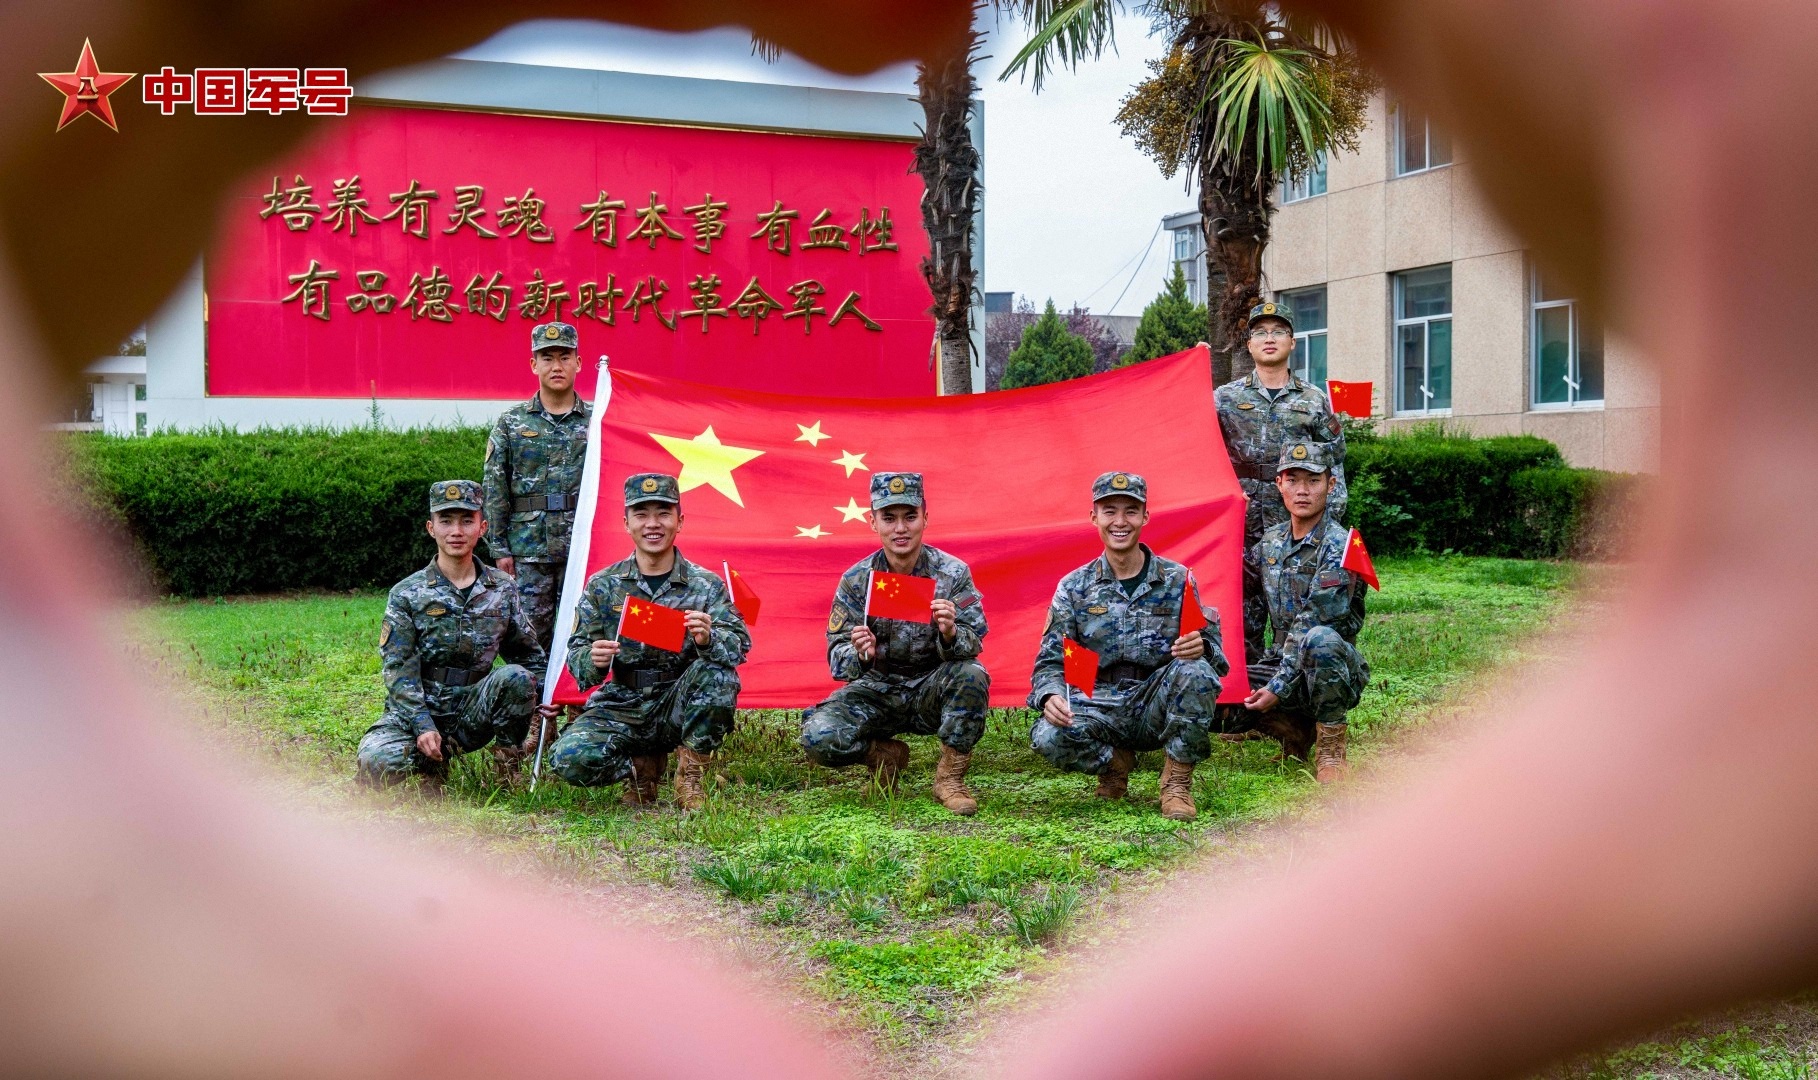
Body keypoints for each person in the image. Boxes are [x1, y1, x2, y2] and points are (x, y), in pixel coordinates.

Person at [1027, 471, 1227, 821]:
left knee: (1196, 672)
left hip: (1155, 701)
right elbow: (1051, 661)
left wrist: (1203, 648)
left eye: (1131, 511)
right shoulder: (1074, 586)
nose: (1120, 522)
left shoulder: (1178, 579)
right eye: (1110, 511)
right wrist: (1050, 696)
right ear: (1094, 517)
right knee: (1047, 735)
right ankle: (1115, 765)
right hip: (1097, 701)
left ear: (1145, 517)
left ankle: (1177, 783)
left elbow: (1216, 657)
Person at [547, 473, 747, 810]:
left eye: (663, 513)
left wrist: (709, 638)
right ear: (626, 523)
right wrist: (592, 659)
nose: (652, 524)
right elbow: (577, 655)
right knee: (569, 759)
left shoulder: (706, 585)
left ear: (679, 521)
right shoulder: (603, 585)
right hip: (623, 703)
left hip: (678, 703)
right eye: (641, 514)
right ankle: (641, 769)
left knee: (718, 674)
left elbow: (739, 645)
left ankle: (690, 776)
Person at [800, 472, 989, 816]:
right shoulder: (857, 579)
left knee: (972, 674)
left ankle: (950, 779)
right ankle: (884, 756)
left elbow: (975, 638)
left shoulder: (953, 573)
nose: (900, 528)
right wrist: (860, 653)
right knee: (819, 736)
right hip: (877, 690)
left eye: (909, 517)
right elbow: (837, 659)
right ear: (873, 522)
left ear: (925, 518)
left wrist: (950, 633)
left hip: (931, 688)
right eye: (889, 518)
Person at [357, 480, 555, 789]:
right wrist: (421, 725)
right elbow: (398, 670)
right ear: (431, 528)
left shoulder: (502, 588)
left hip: (473, 712)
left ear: (482, 527)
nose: (456, 531)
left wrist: (548, 694)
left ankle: (507, 768)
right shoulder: (407, 593)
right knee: (375, 763)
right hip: (420, 710)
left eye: (466, 521)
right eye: (446, 521)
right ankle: (432, 764)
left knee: (516, 676)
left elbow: (528, 654)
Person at [1214, 300, 1348, 660]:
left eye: (1278, 332)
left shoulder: (1314, 400)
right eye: (1260, 332)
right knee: (1240, 616)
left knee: (1295, 616)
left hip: (1294, 526)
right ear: (1249, 345)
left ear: (1292, 342)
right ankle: (1245, 687)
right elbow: (1200, 451)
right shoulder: (1224, 399)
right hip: (1240, 522)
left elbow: (1334, 462)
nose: (1269, 339)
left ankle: (1289, 689)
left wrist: (1327, 524)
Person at [1239, 442, 1369, 781]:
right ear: (1279, 485)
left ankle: (1331, 747)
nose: (1302, 490)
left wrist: (1277, 687)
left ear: (1331, 484)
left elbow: (1316, 619)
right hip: (1279, 660)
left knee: (1320, 639)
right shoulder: (1271, 541)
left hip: (1328, 667)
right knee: (1216, 693)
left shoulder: (1340, 546)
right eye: (1293, 480)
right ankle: (1295, 733)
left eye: (1313, 480)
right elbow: (1240, 586)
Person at [483, 320, 591, 654]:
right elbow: (495, 487)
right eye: (547, 358)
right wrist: (499, 548)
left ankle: (577, 690)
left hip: (582, 547)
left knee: (584, 631)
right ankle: (534, 690)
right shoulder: (512, 422)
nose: (557, 366)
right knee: (530, 637)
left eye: (564, 357)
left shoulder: (598, 420)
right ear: (534, 364)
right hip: (528, 550)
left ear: (578, 363)